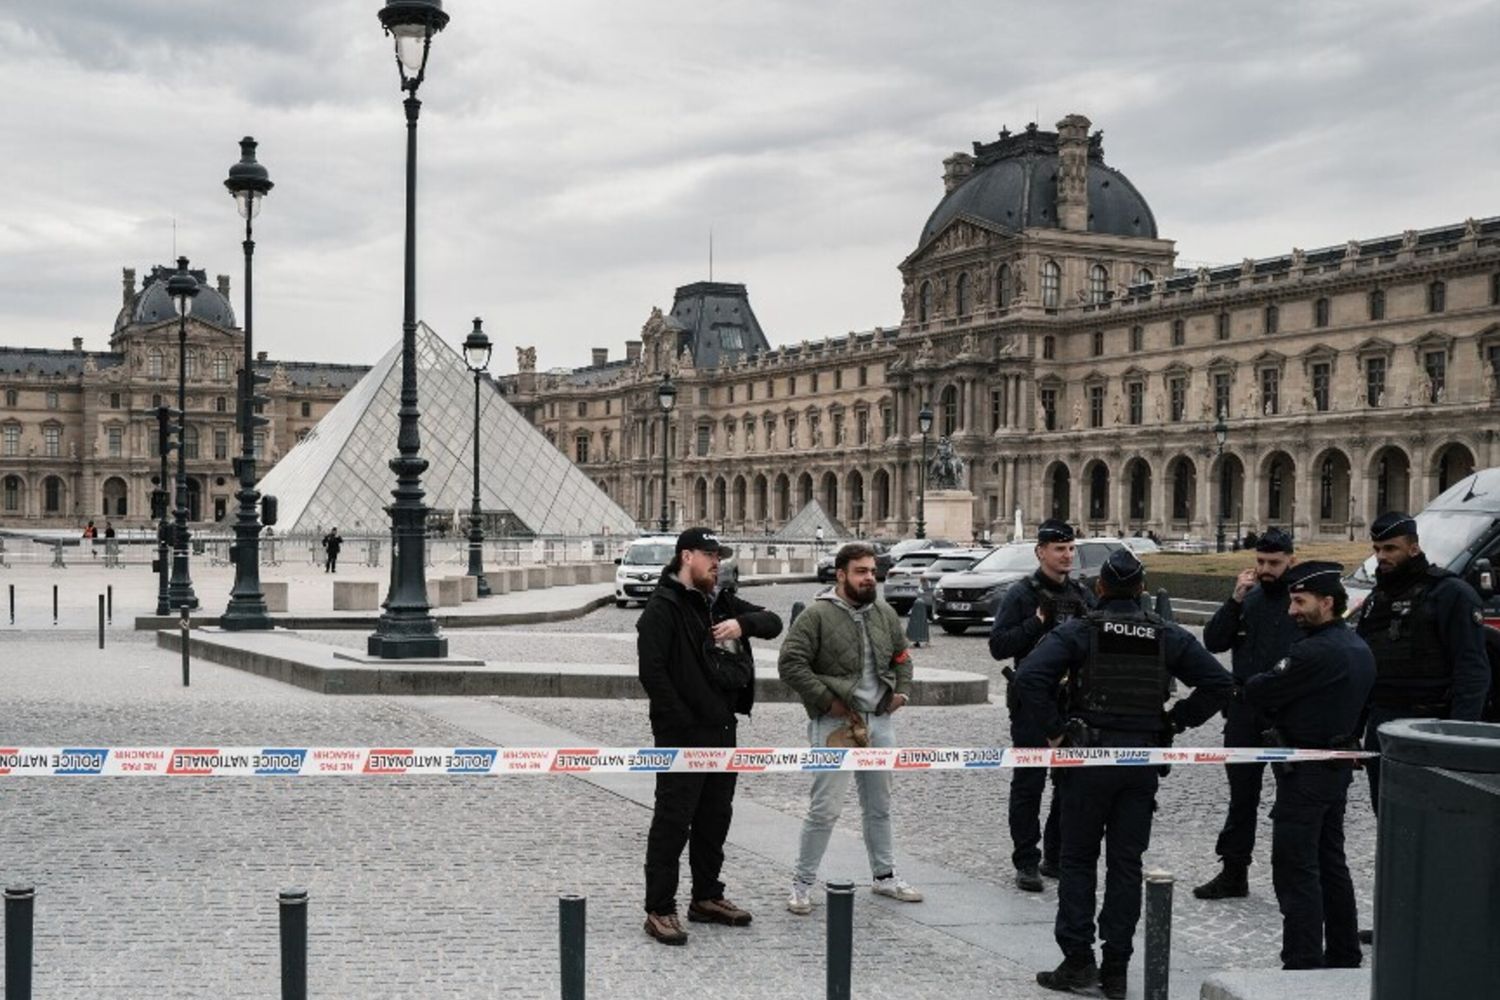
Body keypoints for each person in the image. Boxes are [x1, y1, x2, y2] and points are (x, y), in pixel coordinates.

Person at [1017, 549, 1232, 998]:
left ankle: (1078, 961)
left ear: (1099, 588)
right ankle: (1116, 968)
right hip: (1140, 763)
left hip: (1088, 759)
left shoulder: (1081, 631)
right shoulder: (1166, 634)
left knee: (1076, 861)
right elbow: (1218, 682)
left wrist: (1054, 732)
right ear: (1142, 588)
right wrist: (1175, 720)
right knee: (1125, 864)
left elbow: (1029, 678)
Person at [637, 527, 783, 946]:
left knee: (714, 817)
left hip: (722, 730)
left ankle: (706, 897)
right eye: (709, 555)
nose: (717, 562)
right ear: (686, 557)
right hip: (683, 736)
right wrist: (681, 723)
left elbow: (773, 623)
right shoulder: (662, 607)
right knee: (673, 821)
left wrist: (741, 623)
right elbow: (654, 674)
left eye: (720, 555)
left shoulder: (720, 602)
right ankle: (660, 909)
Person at [1241, 561, 1374, 971]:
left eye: (1300, 602)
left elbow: (1260, 690)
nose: (1291, 610)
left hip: (1306, 773)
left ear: (1328, 602)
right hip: (1334, 767)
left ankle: (1301, 962)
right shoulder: (1358, 647)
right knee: (1332, 863)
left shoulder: (1314, 652)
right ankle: (1343, 953)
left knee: (1296, 870)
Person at [779, 541, 924, 915]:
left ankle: (885, 875)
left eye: (872, 572)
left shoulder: (884, 612)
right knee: (824, 808)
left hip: (880, 721)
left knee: (880, 806)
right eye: (861, 572)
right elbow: (791, 664)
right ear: (840, 574)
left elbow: (902, 656)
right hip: (836, 723)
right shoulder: (816, 615)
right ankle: (802, 883)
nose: (869, 578)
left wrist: (902, 693)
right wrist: (828, 701)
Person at [1355, 511, 1490, 812]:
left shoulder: (1450, 593)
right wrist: (1353, 731)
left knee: (1435, 819)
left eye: (1390, 549)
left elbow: (1472, 671)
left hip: (1431, 723)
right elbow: (1364, 669)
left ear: (1413, 548)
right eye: (1377, 549)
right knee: (1388, 816)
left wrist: (1459, 734)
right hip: (1383, 725)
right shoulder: (1378, 599)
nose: (1381, 557)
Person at [988, 518, 1095, 892]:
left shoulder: (1083, 594)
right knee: (1029, 783)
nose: (1067, 556)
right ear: (1041, 552)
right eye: (1059, 549)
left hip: (1072, 701)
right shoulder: (1021, 594)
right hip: (1032, 701)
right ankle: (1026, 861)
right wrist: (1035, 624)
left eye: (1070, 549)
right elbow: (999, 645)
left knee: (1069, 782)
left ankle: (1055, 855)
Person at [1195, 528, 1302, 900]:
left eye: (1274, 562)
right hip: (1244, 709)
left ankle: (1290, 875)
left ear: (1292, 560)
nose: (1265, 569)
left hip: (1287, 713)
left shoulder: (1301, 601)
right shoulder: (1249, 598)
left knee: (1292, 799)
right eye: (1260, 562)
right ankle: (1233, 870)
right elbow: (1213, 641)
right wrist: (1234, 601)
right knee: (1242, 796)